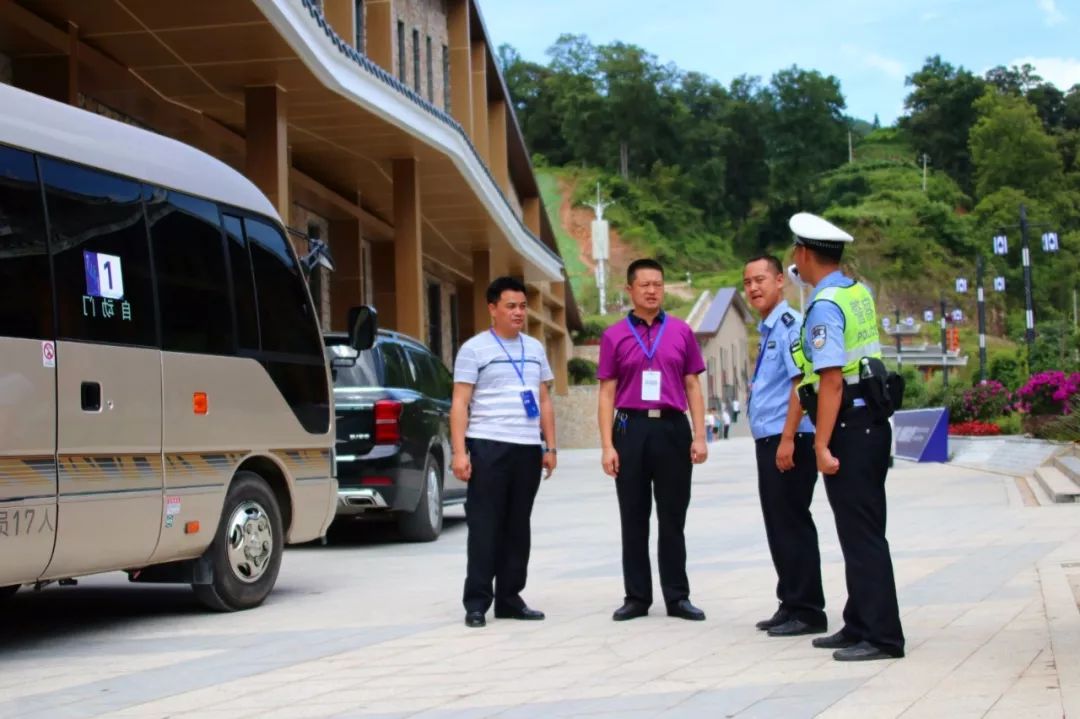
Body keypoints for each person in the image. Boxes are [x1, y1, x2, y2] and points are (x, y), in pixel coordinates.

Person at [789, 212, 905, 661]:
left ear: (803, 254)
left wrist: (819, 444)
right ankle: (858, 622)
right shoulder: (857, 292)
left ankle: (881, 636)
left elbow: (832, 379)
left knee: (862, 537)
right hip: (870, 424)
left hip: (849, 427)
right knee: (863, 530)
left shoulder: (823, 305)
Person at [597, 258, 708, 622]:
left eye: (658, 284)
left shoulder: (681, 332)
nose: (652, 290)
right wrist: (607, 445)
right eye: (644, 284)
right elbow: (606, 393)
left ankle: (677, 597)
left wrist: (700, 435)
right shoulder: (614, 336)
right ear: (629, 290)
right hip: (630, 429)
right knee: (634, 516)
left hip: (673, 429)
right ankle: (637, 597)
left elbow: (692, 383)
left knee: (673, 517)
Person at [451, 276, 558, 628]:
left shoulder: (535, 349)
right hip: (488, 445)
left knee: (517, 526)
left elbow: (543, 399)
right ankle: (477, 602)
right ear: (492, 308)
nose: (518, 313)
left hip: (527, 448)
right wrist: (460, 453)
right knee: (485, 525)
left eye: (523, 306)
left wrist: (549, 446)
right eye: (510, 306)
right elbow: (460, 403)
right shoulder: (474, 349)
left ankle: (510, 598)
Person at [743, 254, 826, 638]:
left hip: (788, 438)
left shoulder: (790, 326)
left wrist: (790, 437)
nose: (754, 288)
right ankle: (790, 601)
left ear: (781, 282)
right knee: (778, 524)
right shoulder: (769, 328)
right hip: (772, 438)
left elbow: (800, 384)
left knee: (792, 522)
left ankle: (808, 609)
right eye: (748, 283)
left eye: (761, 279)